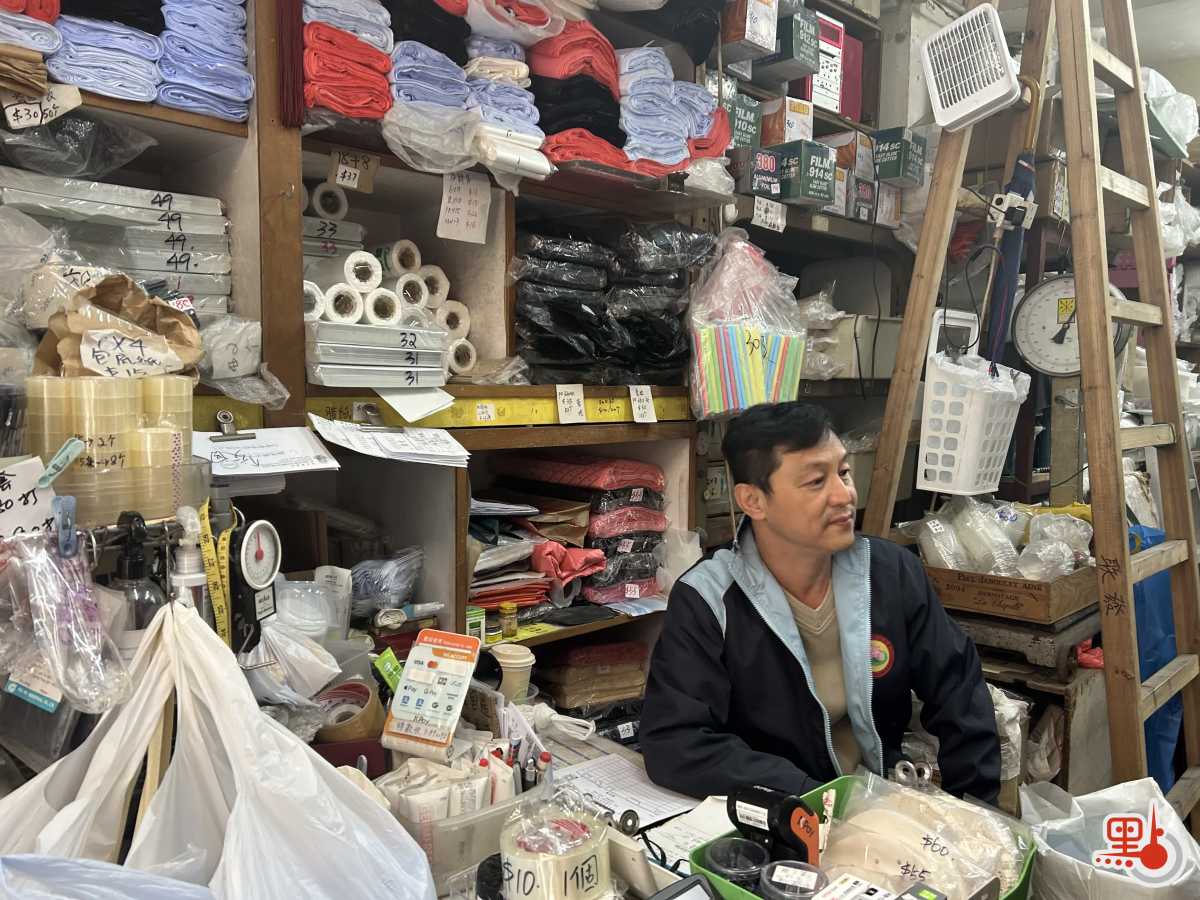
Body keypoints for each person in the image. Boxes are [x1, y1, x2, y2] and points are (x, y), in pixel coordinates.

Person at [641, 402, 1000, 803]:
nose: (844, 495)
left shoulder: (889, 573)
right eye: (816, 481)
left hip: (878, 800)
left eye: (843, 472)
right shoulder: (708, 598)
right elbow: (675, 741)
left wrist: (978, 812)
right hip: (778, 809)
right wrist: (812, 799)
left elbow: (959, 688)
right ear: (753, 501)